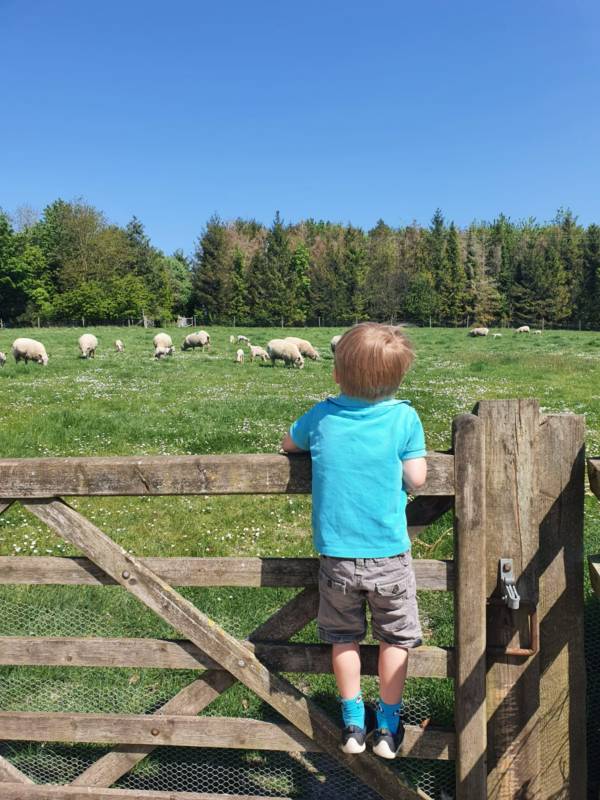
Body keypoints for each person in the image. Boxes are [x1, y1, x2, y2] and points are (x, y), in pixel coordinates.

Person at [281, 323, 427, 759]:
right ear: (398, 378)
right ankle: (386, 726)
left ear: (337, 374)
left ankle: (351, 724)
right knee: (395, 639)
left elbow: (289, 443)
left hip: (337, 559)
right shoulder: (404, 416)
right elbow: (417, 478)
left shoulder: (322, 416)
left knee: (343, 638)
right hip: (388, 556)